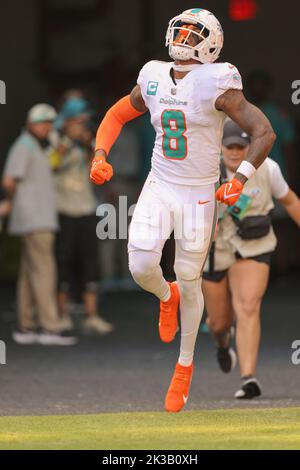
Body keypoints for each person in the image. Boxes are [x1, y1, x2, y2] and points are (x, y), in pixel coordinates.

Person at [90, 8, 275, 412]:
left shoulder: (218, 80)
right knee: (141, 265)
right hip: (160, 184)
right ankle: (164, 294)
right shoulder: (153, 74)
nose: (184, 38)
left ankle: (184, 366)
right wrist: (100, 153)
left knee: (191, 277)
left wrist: (239, 178)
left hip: (198, 193)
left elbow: (264, 131)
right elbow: (117, 113)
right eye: (182, 30)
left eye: (194, 33)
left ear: (210, 44)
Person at [202, 120, 300, 398]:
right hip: (216, 249)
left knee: (248, 306)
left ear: (249, 147)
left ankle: (249, 378)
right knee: (218, 323)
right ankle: (222, 344)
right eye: (229, 146)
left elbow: (290, 200)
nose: (234, 152)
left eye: (240, 147)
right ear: (219, 147)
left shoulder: (268, 169)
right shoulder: (205, 171)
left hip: (254, 244)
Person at [2, 104, 77, 345]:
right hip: (35, 218)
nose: (48, 128)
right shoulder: (25, 146)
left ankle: (27, 326)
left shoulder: (32, 145)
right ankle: (50, 327)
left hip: (33, 218)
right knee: (45, 271)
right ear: (34, 124)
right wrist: (14, 201)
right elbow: (9, 180)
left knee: (29, 273)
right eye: (45, 123)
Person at [50, 97, 114, 335]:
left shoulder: (90, 141)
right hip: (64, 209)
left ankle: (92, 315)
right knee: (63, 262)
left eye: (85, 121)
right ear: (67, 122)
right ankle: (63, 314)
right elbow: (51, 164)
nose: (83, 126)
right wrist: (68, 142)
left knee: (90, 262)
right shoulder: (56, 139)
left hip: (86, 208)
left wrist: (89, 146)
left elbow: (96, 171)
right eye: (79, 121)